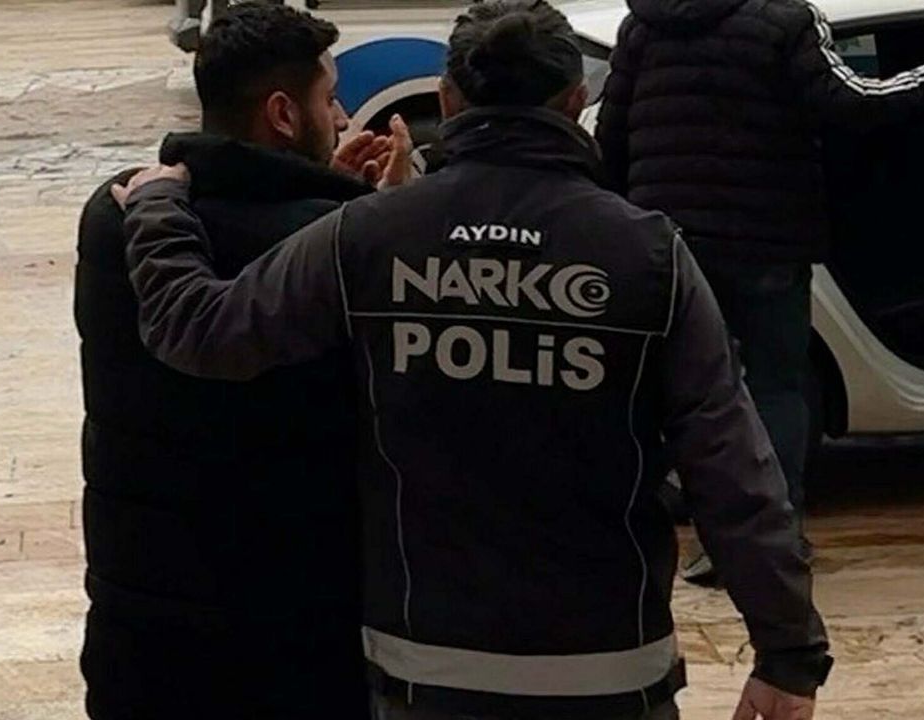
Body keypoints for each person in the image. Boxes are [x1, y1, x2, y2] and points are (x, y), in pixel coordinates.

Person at [114, 1, 832, 718]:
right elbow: (733, 469)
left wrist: (157, 208)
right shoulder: (648, 254)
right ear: (575, 101)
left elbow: (199, 329)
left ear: (449, 98)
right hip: (609, 670)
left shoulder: (371, 236)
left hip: (429, 669)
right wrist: (788, 654)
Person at [74, 4, 411, 718]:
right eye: (330, 98)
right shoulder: (332, 244)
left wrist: (330, 191)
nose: (343, 117)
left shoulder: (116, 214)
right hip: (286, 621)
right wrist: (363, 210)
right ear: (284, 114)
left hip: (140, 610)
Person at [595, 0, 924, 579]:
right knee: (774, 388)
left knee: (686, 394)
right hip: (765, 241)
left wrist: (628, 231)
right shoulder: (787, 21)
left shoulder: (642, 26)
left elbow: (611, 138)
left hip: (673, 247)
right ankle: (767, 542)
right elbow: (851, 103)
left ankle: (692, 535)